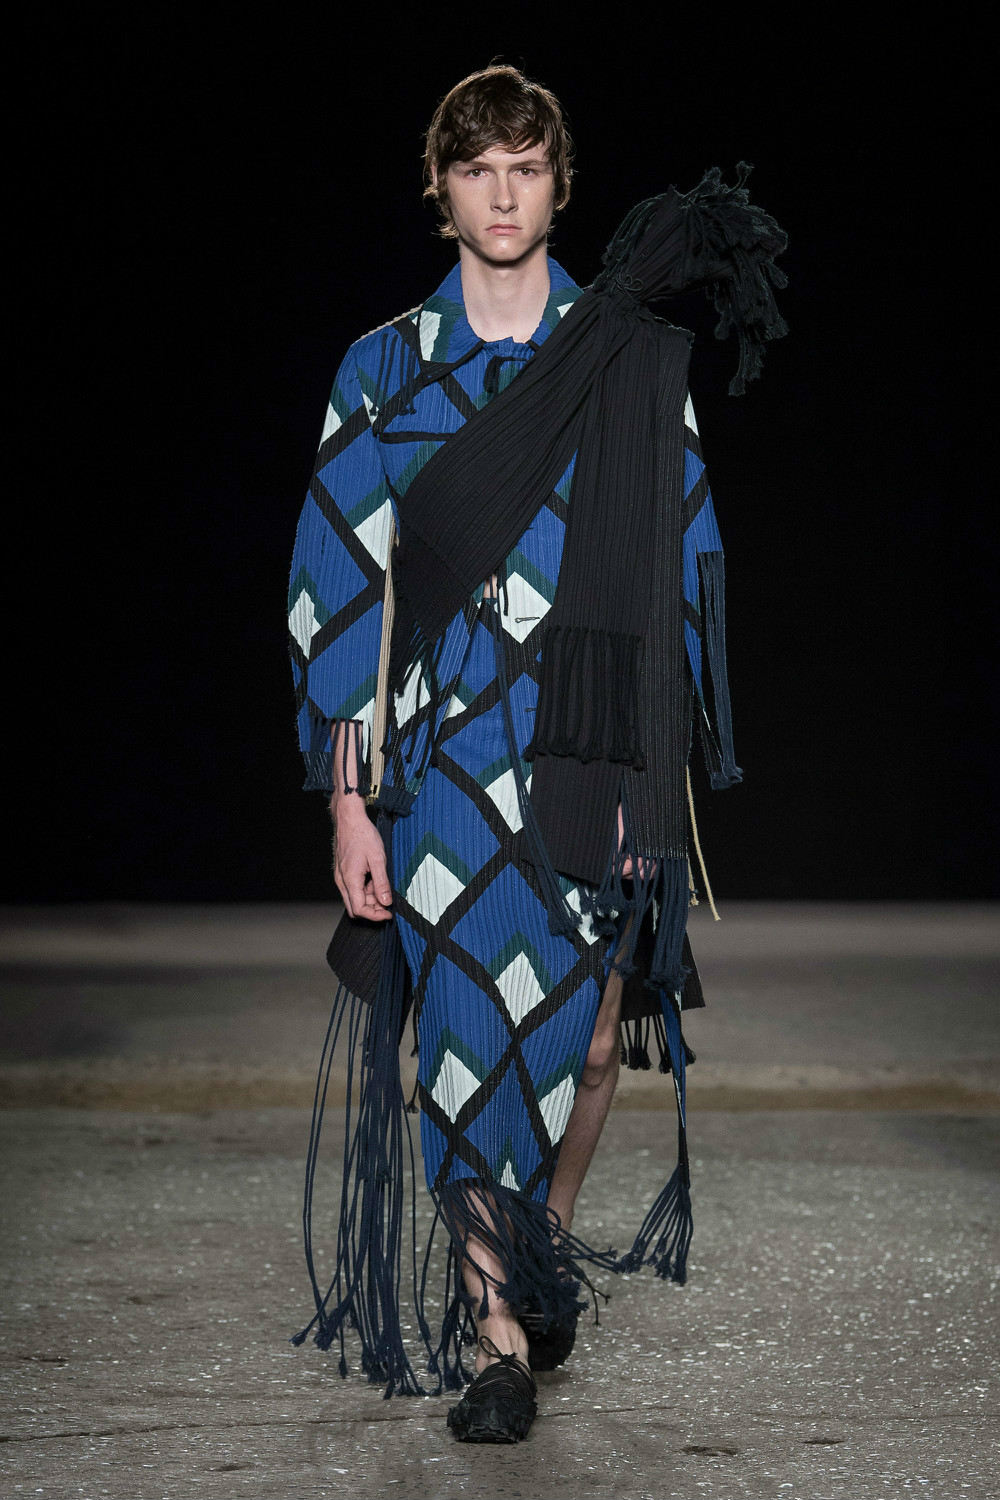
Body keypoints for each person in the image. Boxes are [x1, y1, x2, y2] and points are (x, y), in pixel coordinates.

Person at [287, 64, 786, 1443]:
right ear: (441, 191)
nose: (501, 194)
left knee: (593, 1047)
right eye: (476, 170)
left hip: (591, 756)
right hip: (444, 764)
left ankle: (537, 1244)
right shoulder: (385, 369)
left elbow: (687, 568)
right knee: (458, 1045)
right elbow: (337, 593)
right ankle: (496, 1336)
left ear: (559, 188)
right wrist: (347, 805)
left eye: (525, 168)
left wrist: (661, 780)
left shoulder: (629, 360)